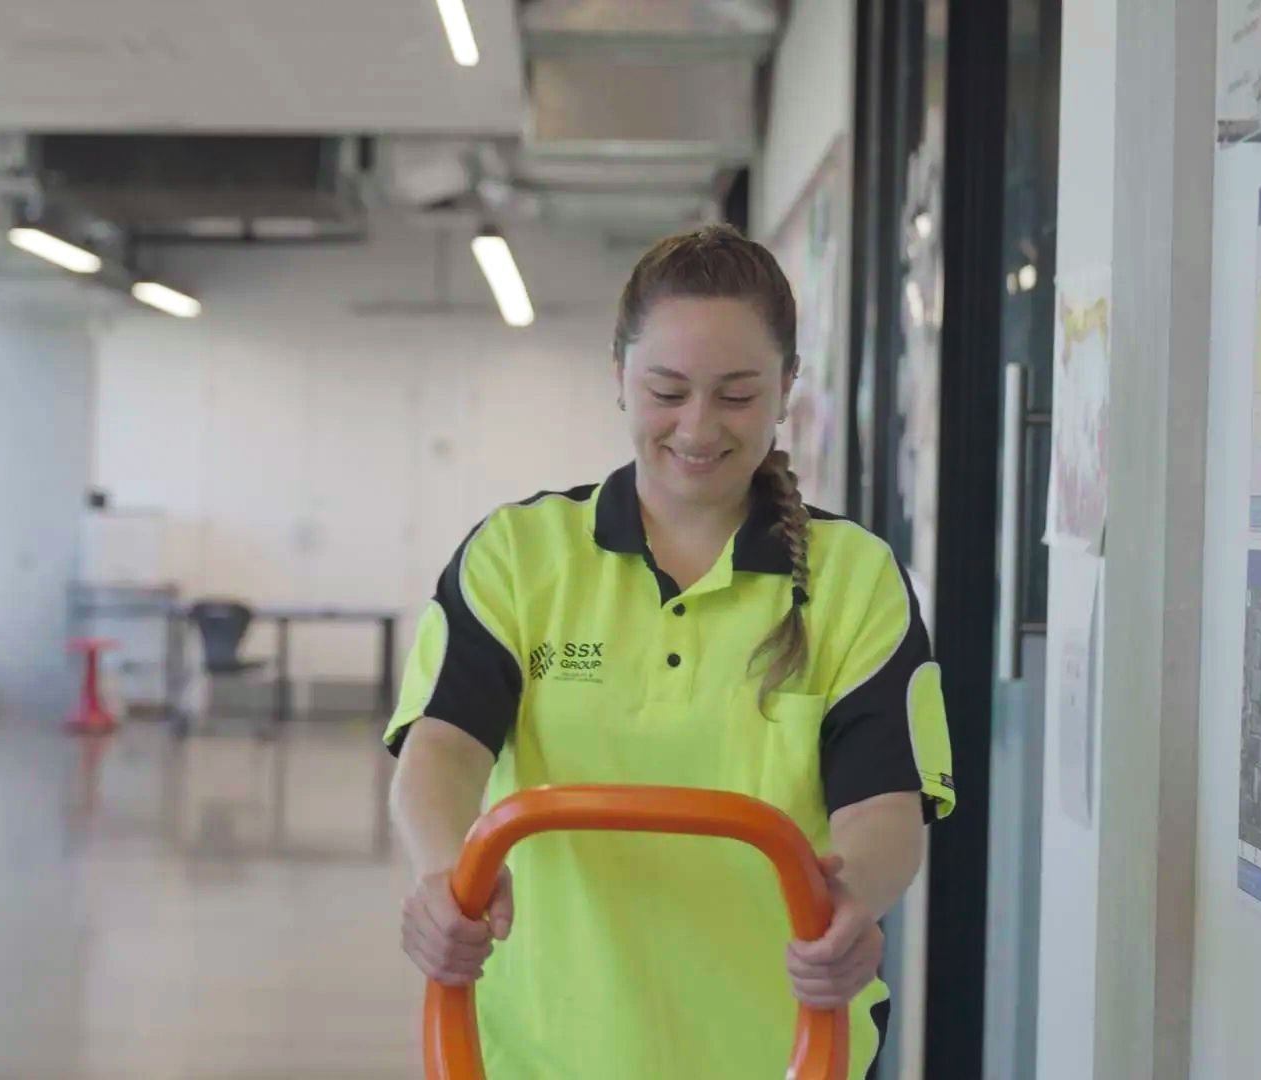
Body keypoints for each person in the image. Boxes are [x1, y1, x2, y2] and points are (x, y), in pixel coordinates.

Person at [386, 225, 954, 1079]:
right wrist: (442, 876)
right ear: (618, 377)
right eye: (667, 390)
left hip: (780, 1053)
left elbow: (885, 804)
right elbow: (441, 746)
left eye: (735, 395)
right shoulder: (517, 556)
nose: (698, 427)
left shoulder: (854, 579)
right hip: (538, 1054)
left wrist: (852, 899)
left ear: (786, 387)